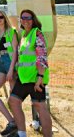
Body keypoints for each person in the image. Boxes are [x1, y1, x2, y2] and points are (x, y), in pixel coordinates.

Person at [8, 9, 52, 137]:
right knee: (13, 101)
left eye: (28, 18)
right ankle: (21, 134)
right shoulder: (24, 36)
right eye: (23, 18)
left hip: (35, 78)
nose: (25, 20)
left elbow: (42, 57)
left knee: (40, 106)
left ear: (33, 20)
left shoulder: (37, 34)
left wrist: (40, 77)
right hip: (24, 78)